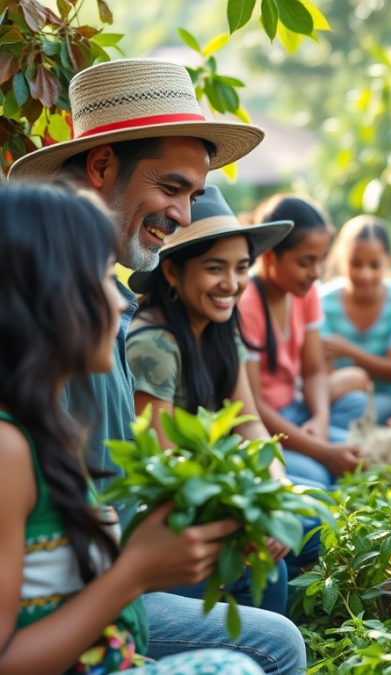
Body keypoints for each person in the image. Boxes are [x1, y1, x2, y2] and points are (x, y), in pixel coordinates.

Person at [8, 58, 306, 674]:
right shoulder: (51, 315)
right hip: (84, 590)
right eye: (172, 189)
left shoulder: (99, 296)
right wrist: (137, 566)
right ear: (100, 165)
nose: (185, 218)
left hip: (109, 566)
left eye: (193, 196)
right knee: (269, 645)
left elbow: (113, 484)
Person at [0, 182, 265, 675]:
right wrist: (134, 573)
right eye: (102, 278)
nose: (123, 304)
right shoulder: (7, 450)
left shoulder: (48, 425)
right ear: (47, 297)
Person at [125, 186, 316, 609]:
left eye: (242, 268)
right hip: (168, 517)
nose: (231, 284)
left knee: (313, 518)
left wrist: (275, 486)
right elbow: (169, 469)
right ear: (172, 272)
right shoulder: (153, 343)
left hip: (221, 487)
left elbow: (249, 422)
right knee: (269, 561)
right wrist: (253, 515)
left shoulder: (220, 325)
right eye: (216, 269)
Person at [239, 195, 368, 487]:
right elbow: (254, 405)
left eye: (321, 261)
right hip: (264, 425)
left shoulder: (305, 292)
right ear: (270, 256)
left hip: (296, 409)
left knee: (358, 421)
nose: (317, 273)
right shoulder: (247, 304)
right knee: (320, 472)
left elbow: (313, 371)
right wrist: (323, 452)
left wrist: (320, 418)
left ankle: (320, 444)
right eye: (306, 262)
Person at [320, 215, 391, 424]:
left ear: (388, 262)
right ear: (341, 260)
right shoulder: (322, 301)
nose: (365, 274)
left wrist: (348, 350)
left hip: (388, 396)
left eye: (374, 265)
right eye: (355, 263)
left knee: (359, 415)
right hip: (335, 393)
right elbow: (322, 369)